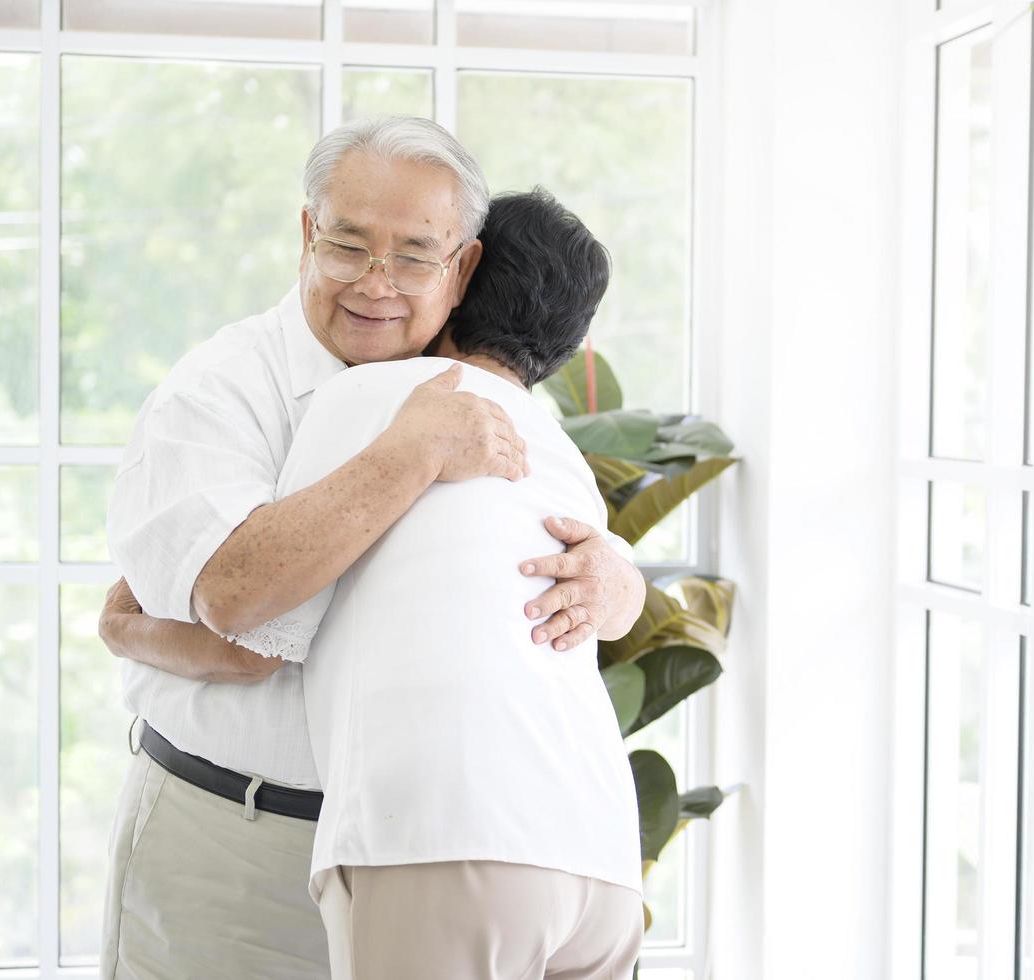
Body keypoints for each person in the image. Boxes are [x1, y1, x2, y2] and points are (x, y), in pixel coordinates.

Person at [98, 117, 646, 980]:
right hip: (235, 841)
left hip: (410, 852)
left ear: (463, 268)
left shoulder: (471, 394)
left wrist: (617, 586)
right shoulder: (219, 391)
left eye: (416, 255)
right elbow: (242, 617)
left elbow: (534, 567)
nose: (377, 284)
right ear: (308, 235)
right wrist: (406, 453)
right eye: (349, 246)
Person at [226, 188, 642, 979]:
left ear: (458, 277)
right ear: (573, 339)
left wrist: (129, 624)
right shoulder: (565, 455)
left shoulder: (374, 399)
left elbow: (261, 627)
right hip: (599, 855)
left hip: (448, 836)